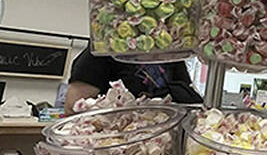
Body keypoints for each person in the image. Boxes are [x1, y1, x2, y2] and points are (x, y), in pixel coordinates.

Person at [65, 45, 202, 113]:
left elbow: (186, 93)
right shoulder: (100, 53)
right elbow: (74, 108)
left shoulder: (171, 55)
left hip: (163, 145)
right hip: (115, 147)